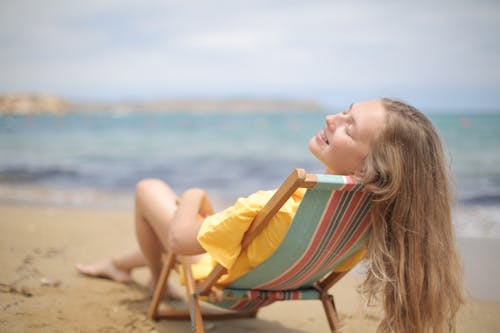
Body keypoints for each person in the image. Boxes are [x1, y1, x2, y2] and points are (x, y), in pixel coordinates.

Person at [76, 98, 463, 332]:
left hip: (221, 283)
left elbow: (179, 241)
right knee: (196, 221)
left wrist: (193, 194)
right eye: (345, 111)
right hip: (272, 283)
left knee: (152, 190)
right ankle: (118, 265)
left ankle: (137, 271)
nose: (332, 119)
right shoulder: (379, 218)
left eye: (350, 126)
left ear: (368, 168)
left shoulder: (273, 206)